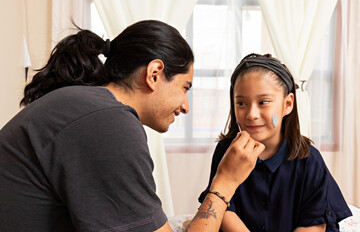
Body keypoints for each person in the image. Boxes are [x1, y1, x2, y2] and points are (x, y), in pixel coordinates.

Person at [0, 20, 264, 232]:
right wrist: (226, 182)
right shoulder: (107, 123)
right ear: (154, 74)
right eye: (185, 88)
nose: (186, 106)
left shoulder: (87, 105)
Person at [199, 53, 352, 232]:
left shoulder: (309, 159)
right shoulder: (227, 150)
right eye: (241, 103)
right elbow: (223, 208)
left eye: (263, 102)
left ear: (287, 104)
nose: (251, 114)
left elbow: (314, 223)